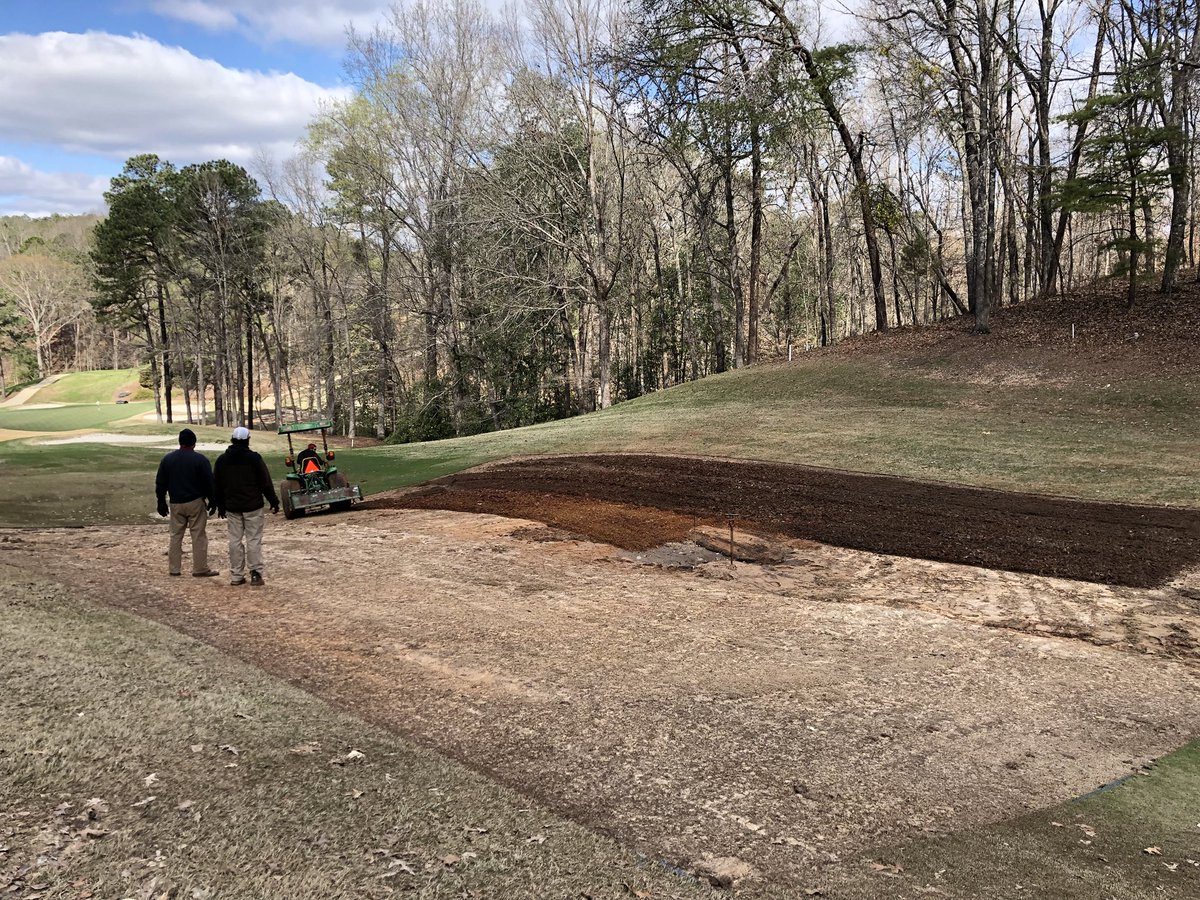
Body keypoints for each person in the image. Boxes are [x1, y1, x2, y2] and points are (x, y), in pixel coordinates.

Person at [214, 426, 279, 587]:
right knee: (253, 540)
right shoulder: (254, 458)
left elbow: (217, 486)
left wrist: (220, 506)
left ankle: (236, 575)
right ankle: (255, 573)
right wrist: (273, 500)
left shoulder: (222, 460)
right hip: (253, 506)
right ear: (247, 440)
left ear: (232, 440)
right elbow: (265, 482)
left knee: (234, 541)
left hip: (232, 507)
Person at [154, 427, 218, 578]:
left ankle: (174, 569)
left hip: (175, 502)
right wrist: (213, 501)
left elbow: (160, 483)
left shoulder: (167, 459)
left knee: (175, 535)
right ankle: (200, 568)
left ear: (179, 442)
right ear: (194, 443)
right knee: (198, 536)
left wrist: (161, 501)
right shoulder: (200, 460)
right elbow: (209, 483)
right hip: (195, 501)